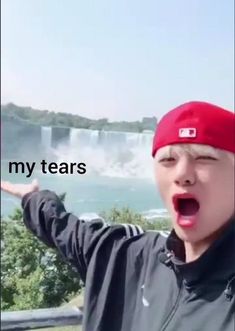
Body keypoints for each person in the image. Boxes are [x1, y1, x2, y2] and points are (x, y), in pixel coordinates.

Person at [1, 101, 235, 331]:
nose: (182, 174)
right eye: (168, 159)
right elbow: (66, 231)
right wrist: (32, 199)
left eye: (205, 157)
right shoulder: (125, 256)